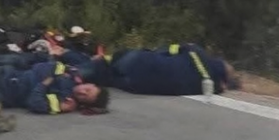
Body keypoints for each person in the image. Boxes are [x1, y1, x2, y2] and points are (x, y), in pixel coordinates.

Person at [74, 43, 242, 95]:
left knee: (105, 64)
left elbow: (166, 49)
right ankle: (75, 81)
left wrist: (151, 53)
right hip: (136, 86)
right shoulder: (211, 88)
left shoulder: (195, 51)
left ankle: (69, 74)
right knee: (106, 77)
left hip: (141, 63)